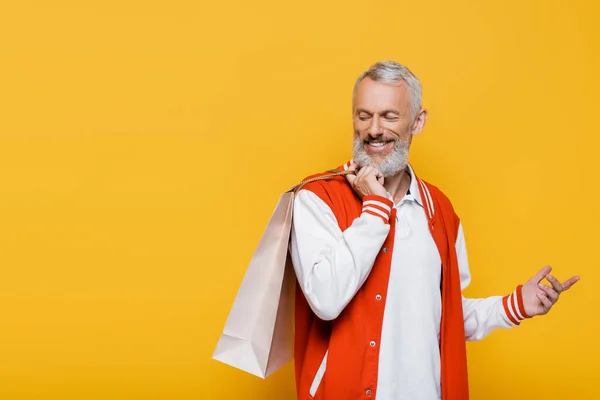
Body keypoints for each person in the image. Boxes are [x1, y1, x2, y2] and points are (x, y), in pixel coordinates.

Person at [289, 60, 579, 400]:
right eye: (363, 115)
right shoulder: (316, 198)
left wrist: (513, 306)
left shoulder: (439, 211)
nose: (374, 129)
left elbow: (447, 318)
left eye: (389, 116)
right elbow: (325, 299)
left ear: (418, 122)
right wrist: (376, 208)